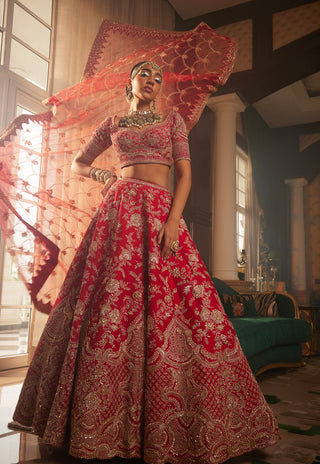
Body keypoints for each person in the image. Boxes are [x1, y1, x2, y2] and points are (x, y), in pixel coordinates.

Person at [9, 61, 279, 464]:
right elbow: (79, 164)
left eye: (158, 78)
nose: (152, 81)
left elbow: (185, 176)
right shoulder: (113, 122)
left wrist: (173, 220)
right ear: (130, 82)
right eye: (145, 75)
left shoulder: (173, 121)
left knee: (185, 307)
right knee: (107, 307)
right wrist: (107, 179)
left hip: (158, 212)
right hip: (117, 213)